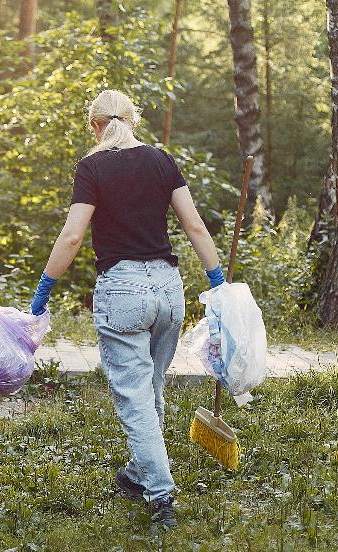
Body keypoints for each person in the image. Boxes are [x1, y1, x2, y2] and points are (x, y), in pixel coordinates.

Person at [28, 89, 225, 529]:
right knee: (151, 384)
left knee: (134, 396)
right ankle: (138, 473)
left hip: (123, 291)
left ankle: (161, 495)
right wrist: (218, 283)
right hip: (169, 289)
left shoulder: (92, 166)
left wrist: (43, 291)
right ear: (133, 121)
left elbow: (73, 236)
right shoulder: (161, 160)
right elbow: (193, 224)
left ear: (95, 125)